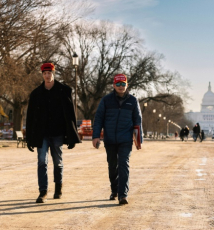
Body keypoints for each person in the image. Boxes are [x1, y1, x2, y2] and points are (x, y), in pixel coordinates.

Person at [26, 62, 81, 203]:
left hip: (57, 133)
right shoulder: (36, 94)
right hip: (42, 134)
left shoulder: (64, 91)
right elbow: (30, 117)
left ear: (53, 73)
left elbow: (70, 115)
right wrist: (30, 138)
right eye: (44, 73)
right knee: (41, 162)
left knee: (58, 162)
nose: (47, 75)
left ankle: (58, 188)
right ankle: (42, 191)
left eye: (49, 73)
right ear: (42, 75)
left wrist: (71, 137)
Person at [92, 74, 143, 205]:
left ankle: (123, 195)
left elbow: (137, 121)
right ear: (114, 85)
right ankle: (114, 190)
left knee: (123, 164)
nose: (121, 87)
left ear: (127, 85)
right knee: (112, 166)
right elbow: (99, 119)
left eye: (123, 84)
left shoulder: (133, 101)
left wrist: (138, 140)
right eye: (118, 84)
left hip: (125, 139)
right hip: (109, 139)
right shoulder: (106, 100)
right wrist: (96, 136)